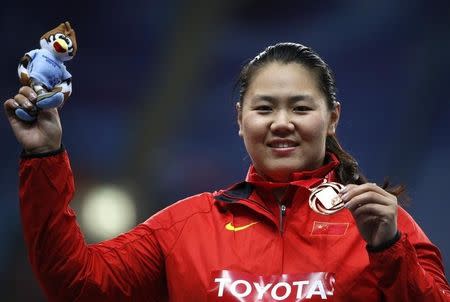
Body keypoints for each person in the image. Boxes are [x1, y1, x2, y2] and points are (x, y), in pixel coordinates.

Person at [4, 42, 450, 301]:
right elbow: (74, 282)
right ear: (240, 120)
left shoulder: (380, 224)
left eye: (300, 107)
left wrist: (388, 249)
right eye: (264, 108)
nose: (281, 122)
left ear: (332, 117)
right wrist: (44, 157)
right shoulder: (187, 226)